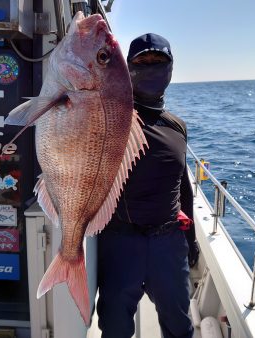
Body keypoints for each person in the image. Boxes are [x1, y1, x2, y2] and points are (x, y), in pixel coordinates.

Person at [96, 33, 199, 338]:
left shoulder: (177, 126)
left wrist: (190, 240)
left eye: (159, 61)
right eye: (142, 62)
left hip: (169, 244)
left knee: (180, 327)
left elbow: (184, 188)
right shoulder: (111, 119)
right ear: (127, 69)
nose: (151, 68)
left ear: (171, 69)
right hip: (119, 242)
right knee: (114, 329)